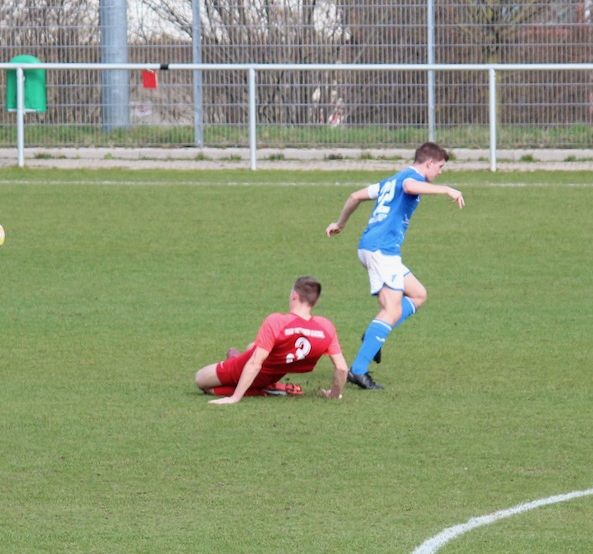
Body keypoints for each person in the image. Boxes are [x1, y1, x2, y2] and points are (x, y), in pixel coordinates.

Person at [325, 142, 464, 390]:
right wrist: (446, 190)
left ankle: (374, 337)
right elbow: (410, 186)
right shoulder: (409, 179)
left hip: (374, 247)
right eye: (440, 167)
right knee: (391, 310)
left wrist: (341, 223)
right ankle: (358, 370)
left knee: (419, 294)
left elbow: (355, 196)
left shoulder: (391, 180)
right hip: (381, 250)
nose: (440, 172)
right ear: (429, 163)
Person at [196, 276, 349, 404]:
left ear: (294, 295)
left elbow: (255, 364)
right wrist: (334, 394)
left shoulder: (277, 321)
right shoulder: (325, 327)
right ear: (315, 302)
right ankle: (253, 375)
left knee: (202, 381)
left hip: (259, 371)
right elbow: (342, 368)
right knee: (252, 346)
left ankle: (266, 389)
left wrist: (235, 398)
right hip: (277, 368)